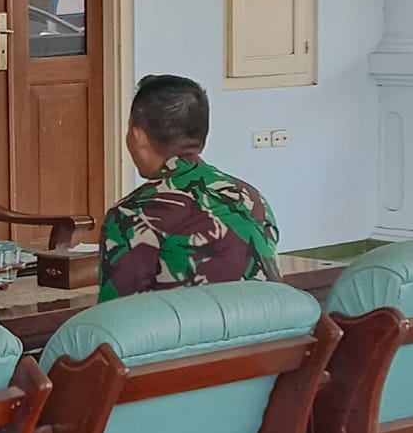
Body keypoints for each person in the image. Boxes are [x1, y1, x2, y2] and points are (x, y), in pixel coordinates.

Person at [99, 74, 280, 302]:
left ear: (138, 136)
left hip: (188, 326)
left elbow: (117, 314)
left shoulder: (131, 214)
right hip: (269, 324)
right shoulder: (250, 198)